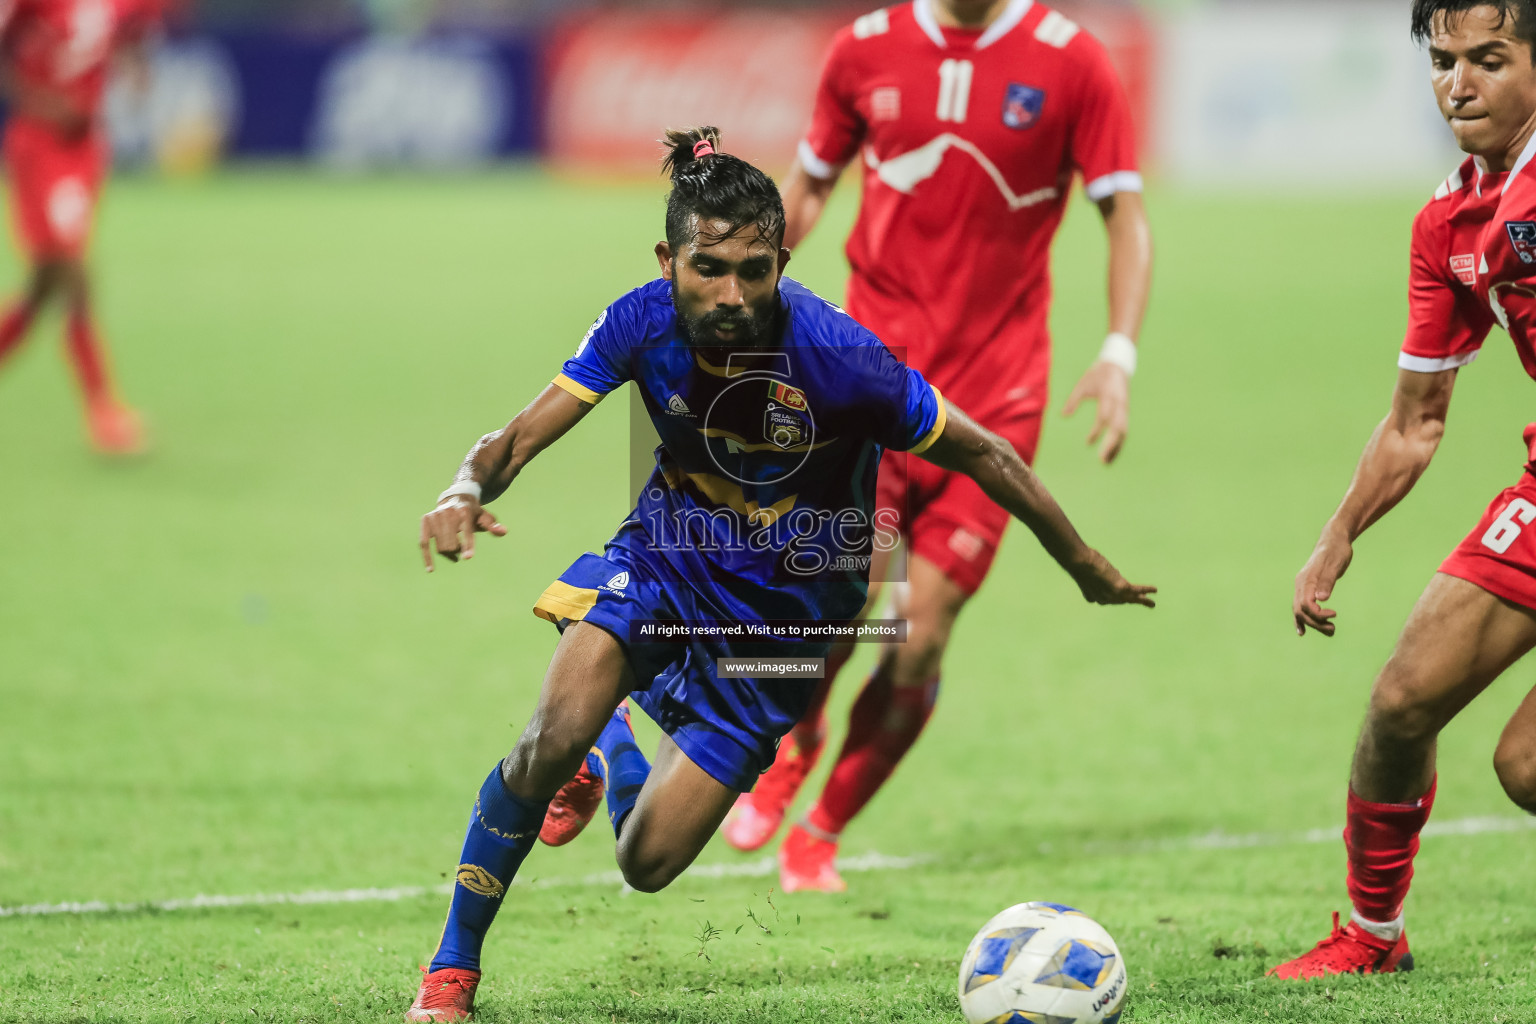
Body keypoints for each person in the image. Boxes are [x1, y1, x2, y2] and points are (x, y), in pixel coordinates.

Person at [404, 127, 1154, 1022]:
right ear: (667, 259)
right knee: (543, 741)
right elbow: (522, 433)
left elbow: (983, 452)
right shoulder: (637, 320)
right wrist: (461, 489)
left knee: (645, 866)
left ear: (781, 261)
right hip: (665, 565)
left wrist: (1081, 564)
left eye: (753, 271)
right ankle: (452, 972)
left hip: (784, 630)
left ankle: (615, 742)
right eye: (708, 267)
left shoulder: (843, 358)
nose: (730, 294)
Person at [720, 0, 1154, 894]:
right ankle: (793, 747)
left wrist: (1117, 351)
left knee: (919, 637)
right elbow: (807, 187)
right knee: (839, 596)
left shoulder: (1074, 62)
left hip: (997, 394)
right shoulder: (864, 50)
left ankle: (824, 831)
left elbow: (1125, 215)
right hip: (864, 377)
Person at [1271, 0, 1536, 980]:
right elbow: (1417, 417)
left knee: (1522, 765)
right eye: (1443, 60)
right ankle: (1373, 937)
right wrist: (1338, 535)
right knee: (1399, 704)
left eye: (1490, 60)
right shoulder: (1450, 221)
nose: (1458, 83)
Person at [0, 0, 160, 454]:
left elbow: (127, 33)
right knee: (72, 272)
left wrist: (136, 68)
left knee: (44, 285)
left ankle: (103, 409)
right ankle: (103, 410)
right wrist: (40, 100)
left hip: (85, 146)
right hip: (38, 143)